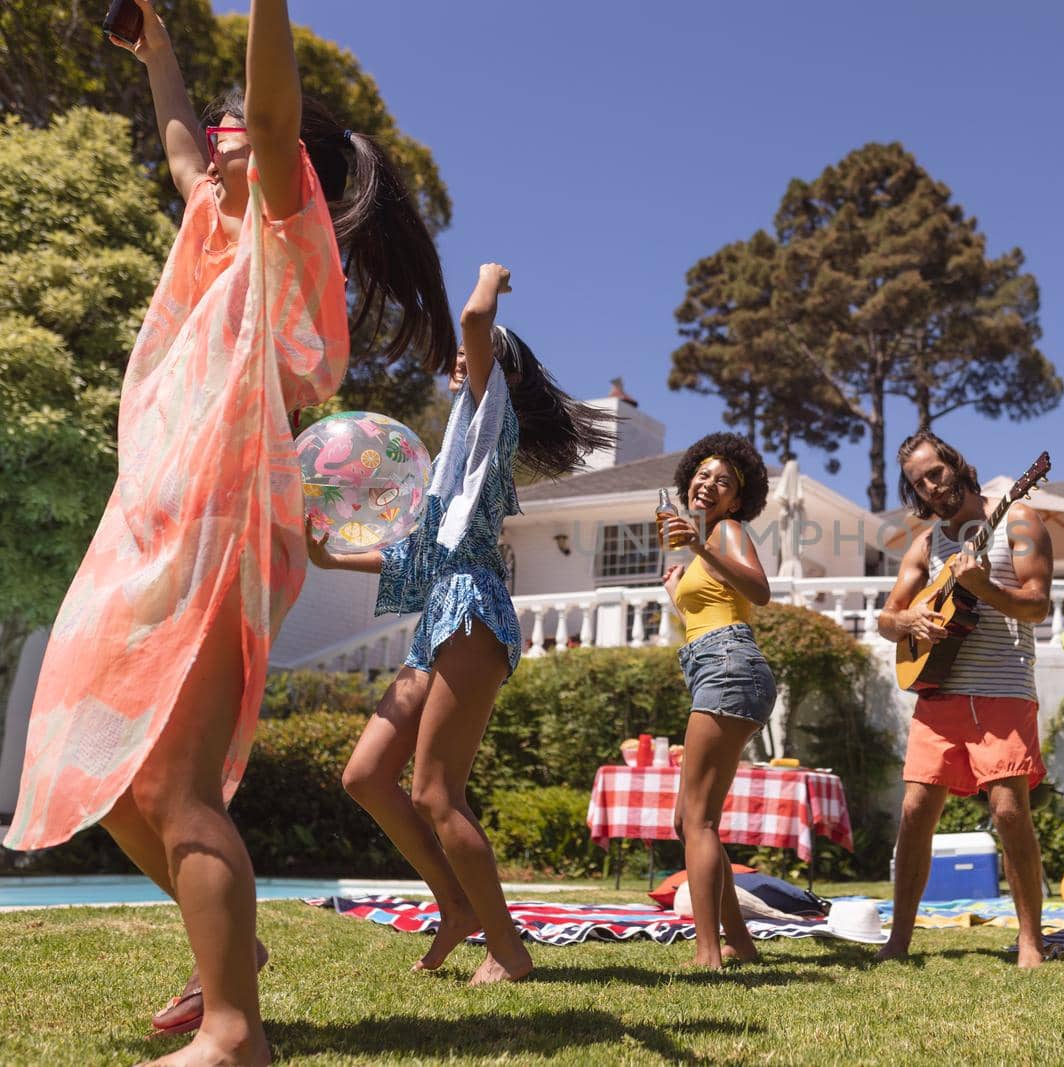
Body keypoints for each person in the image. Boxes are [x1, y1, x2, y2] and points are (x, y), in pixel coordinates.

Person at [2, 0, 455, 1061]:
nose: (219, 128)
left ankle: (232, 1030)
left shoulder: (286, 223)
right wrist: (157, 55)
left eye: (237, 120)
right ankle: (231, 953)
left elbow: (271, 110)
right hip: (150, 520)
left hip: (231, 526)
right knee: (107, 776)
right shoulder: (213, 219)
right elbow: (180, 148)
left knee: (175, 783)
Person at [309, 262, 614, 985]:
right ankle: (456, 904)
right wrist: (326, 555)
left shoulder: (491, 417)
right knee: (367, 774)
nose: (460, 355)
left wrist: (489, 279)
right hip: (440, 613)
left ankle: (508, 950)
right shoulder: (453, 456)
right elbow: (414, 560)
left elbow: (476, 323)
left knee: (436, 794)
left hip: (473, 611)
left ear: (496, 371)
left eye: (476, 355)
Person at [874, 431, 1054, 967]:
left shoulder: (1019, 521)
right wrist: (910, 620)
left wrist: (984, 589)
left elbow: (1037, 605)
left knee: (1008, 811)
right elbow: (887, 618)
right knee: (913, 811)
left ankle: (1030, 940)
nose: (932, 487)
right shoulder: (927, 543)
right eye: (919, 484)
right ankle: (899, 940)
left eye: (935, 472)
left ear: (957, 465)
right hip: (939, 691)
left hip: (1003, 687)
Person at [660, 433, 777, 968]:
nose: (709, 485)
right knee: (691, 819)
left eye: (723, 482)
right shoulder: (703, 547)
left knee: (698, 820)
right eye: (702, 476)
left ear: (736, 500)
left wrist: (700, 546)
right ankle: (740, 944)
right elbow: (708, 618)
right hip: (717, 666)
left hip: (730, 668)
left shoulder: (727, 532)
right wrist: (676, 595)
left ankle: (710, 954)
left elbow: (758, 590)